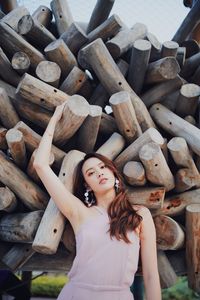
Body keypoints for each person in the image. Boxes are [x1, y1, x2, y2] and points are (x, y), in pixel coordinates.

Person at [33, 102, 162, 300]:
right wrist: (54, 119)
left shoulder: (139, 215)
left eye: (103, 167)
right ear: (87, 185)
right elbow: (40, 165)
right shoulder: (79, 212)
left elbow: (151, 275)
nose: (99, 173)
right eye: (91, 173)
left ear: (114, 173)